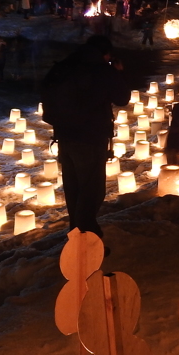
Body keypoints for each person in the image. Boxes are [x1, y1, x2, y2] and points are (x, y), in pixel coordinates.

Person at [41, 35, 129, 241]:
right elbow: (122, 98)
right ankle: (87, 242)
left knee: (74, 190)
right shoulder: (102, 70)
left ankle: (76, 238)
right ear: (106, 54)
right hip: (90, 139)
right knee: (91, 192)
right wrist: (118, 73)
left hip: (64, 136)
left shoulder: (66, 65)